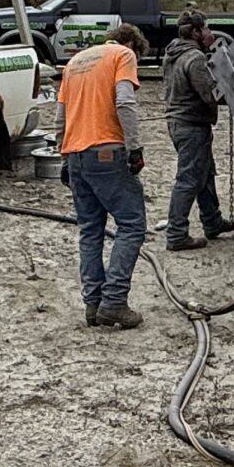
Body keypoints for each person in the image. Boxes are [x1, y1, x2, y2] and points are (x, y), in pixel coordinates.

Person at [59, 23, 150, 328]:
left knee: (90, 229)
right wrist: (135, 148)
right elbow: (124, 101)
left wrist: (64, 155)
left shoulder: (75, 62)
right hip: (106, 151)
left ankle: (93, 303)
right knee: (132, 224)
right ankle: (113, 301)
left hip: (75, 155)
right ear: (131, 45)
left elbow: (61, 115)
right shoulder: (122, 55)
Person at [162, 13, 234, 250]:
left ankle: (212, 221)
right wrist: (228, 80)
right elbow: (210, 94)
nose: (209, 32)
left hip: (179, 123)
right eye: (206, 28)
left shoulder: (172, 53)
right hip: (191, 125)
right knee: (188, 179)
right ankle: (176, 234)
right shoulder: (195, 58)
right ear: (196, 32)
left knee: (205, 173)